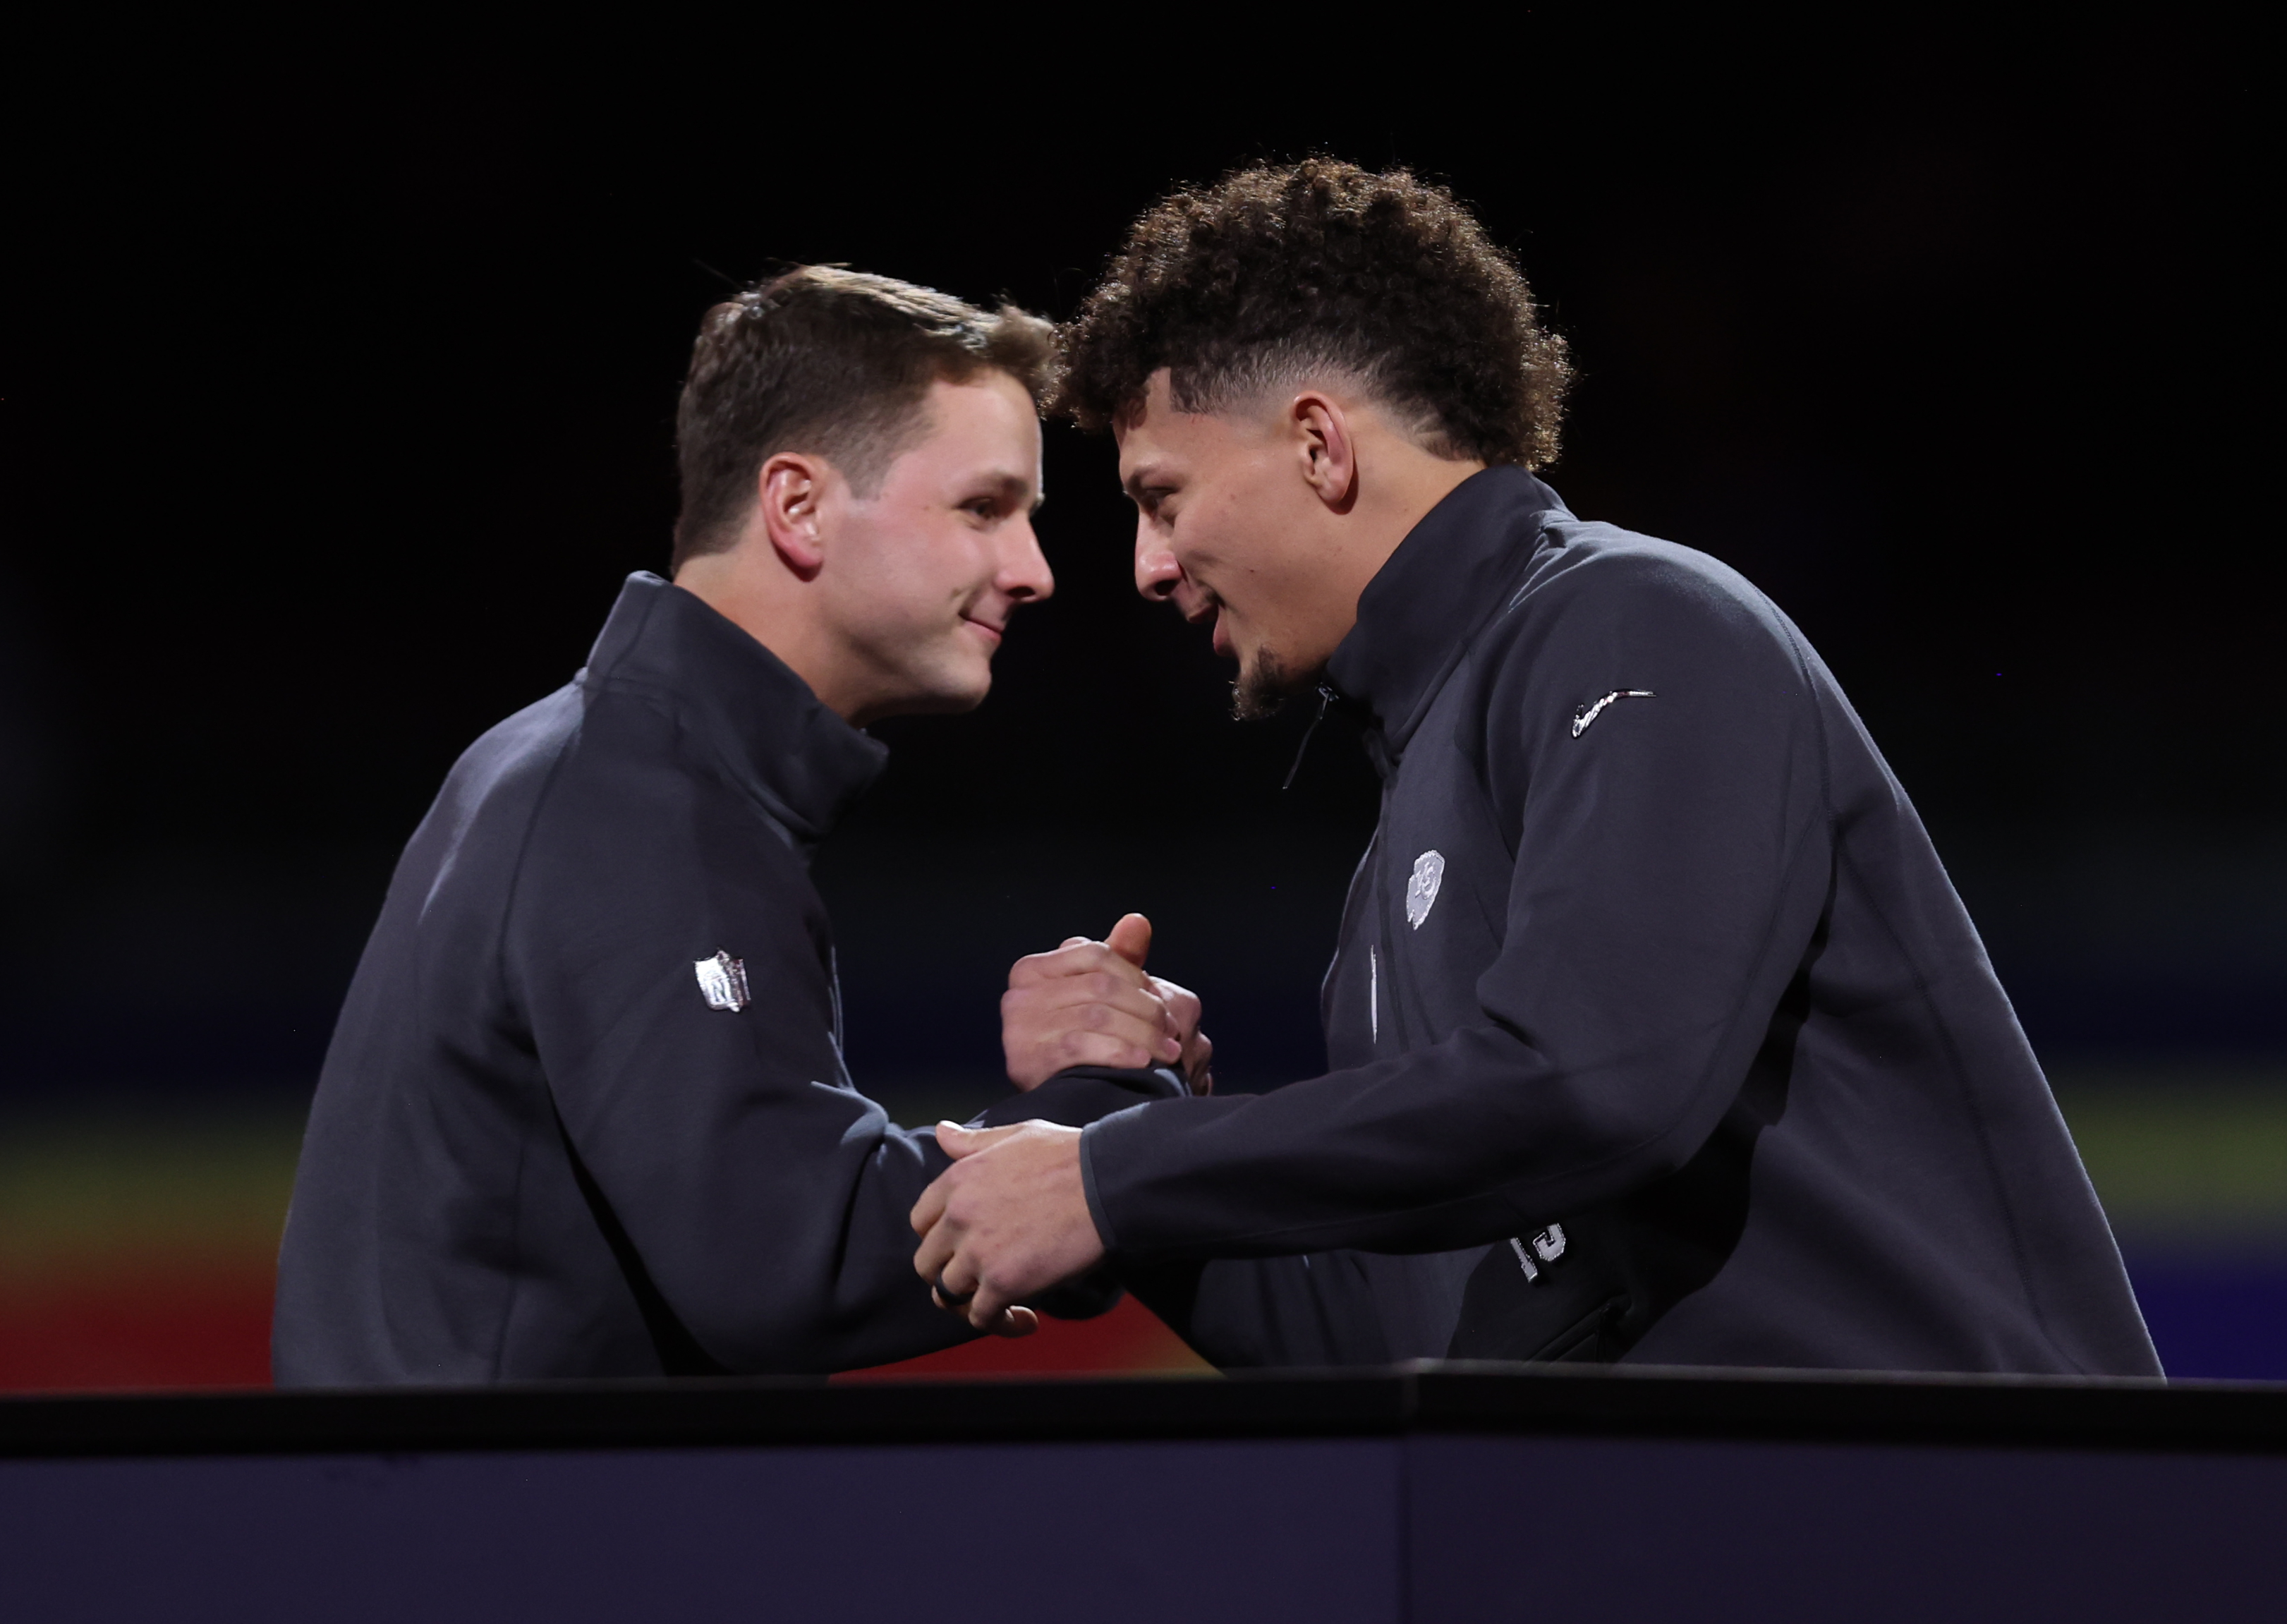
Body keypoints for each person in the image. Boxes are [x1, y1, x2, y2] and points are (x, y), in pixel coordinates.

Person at [914, 162, 2161, 1376]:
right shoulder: (1402, 848)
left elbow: (1597, 1081)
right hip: (1727, 1541)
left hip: (1970, 1534)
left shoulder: (1635, 624)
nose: (1147, 563)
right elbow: (1397, 1343)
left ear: (1317, 446)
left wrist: (1118, 1175)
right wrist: (1123, 1137)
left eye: (1163, 495)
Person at [274, 267, 1203, 1384]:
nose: (1034, 570)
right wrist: (1102, 1125)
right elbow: (785, 1259)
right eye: (983, 508)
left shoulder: (591, 763)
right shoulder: (633, 807)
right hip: (503, 1546)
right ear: (798, 507)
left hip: (458, 1533)